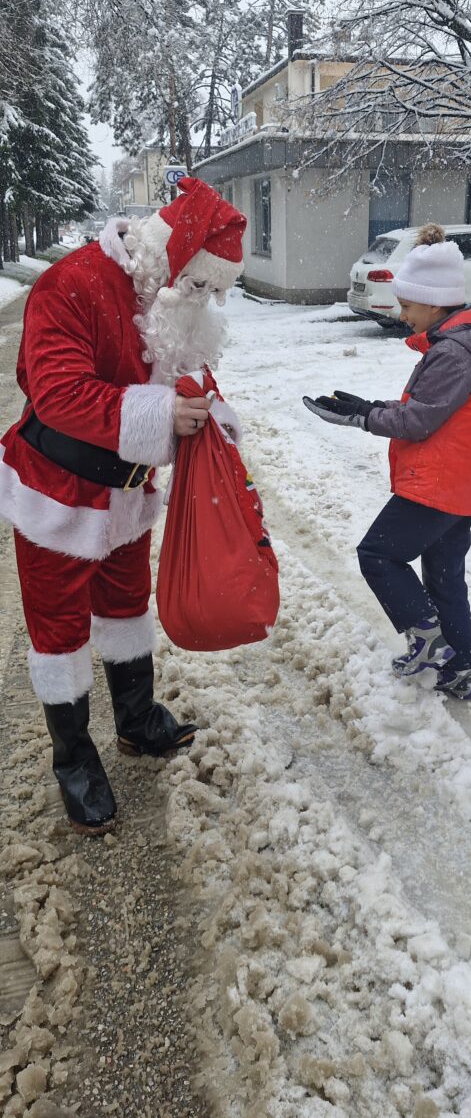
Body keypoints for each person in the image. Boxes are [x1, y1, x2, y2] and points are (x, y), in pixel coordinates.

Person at [0, 177, 246, 835]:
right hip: (57, 494)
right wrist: (163, 414)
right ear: (172, 256)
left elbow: (183, 370)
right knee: (59, 632)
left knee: (127, 605)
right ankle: (74, 761)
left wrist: (211, 416)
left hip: (127, 492)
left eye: (214, 289)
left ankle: (136, 722)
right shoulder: (71, 284)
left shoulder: (166, 293)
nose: (206, 298)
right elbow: (57, 393)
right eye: (201, 284)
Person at [303, 223, 471, 701]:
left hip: (438, 486)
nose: (402, 314)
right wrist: (370, 405)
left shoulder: (453, 354)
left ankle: (428, 640)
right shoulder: (457, 347)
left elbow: (417, 421)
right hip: (460, 486)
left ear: (433, 304)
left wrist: (360, 418)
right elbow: (429, 410)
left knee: (378, 554)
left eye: (407, 305)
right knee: (444, 578)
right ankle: (458, 669)